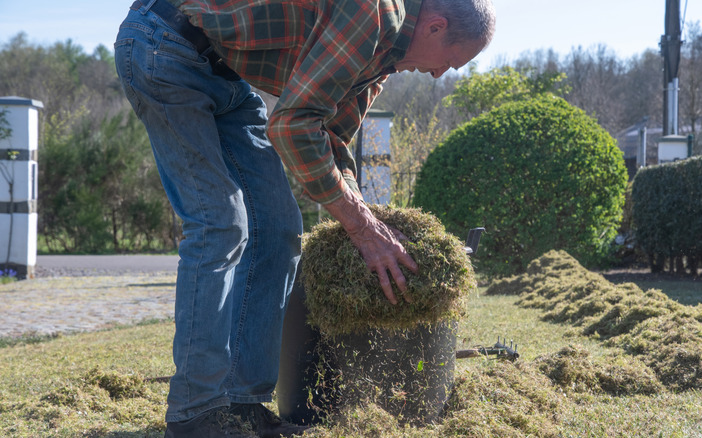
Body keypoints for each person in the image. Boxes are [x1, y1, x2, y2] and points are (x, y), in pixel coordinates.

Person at [114, 0, 495, 436]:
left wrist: (368, 218)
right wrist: (362, 228)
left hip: (227, 77)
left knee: (278, 228)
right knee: (220, 223)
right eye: (450, 61)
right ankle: (195, 414)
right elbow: (293, 127)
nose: (440, 75)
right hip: (164, 45)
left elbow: (329, 136)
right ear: (435, 27)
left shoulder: (382, 58)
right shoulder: (371, 12)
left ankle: (243, 404)